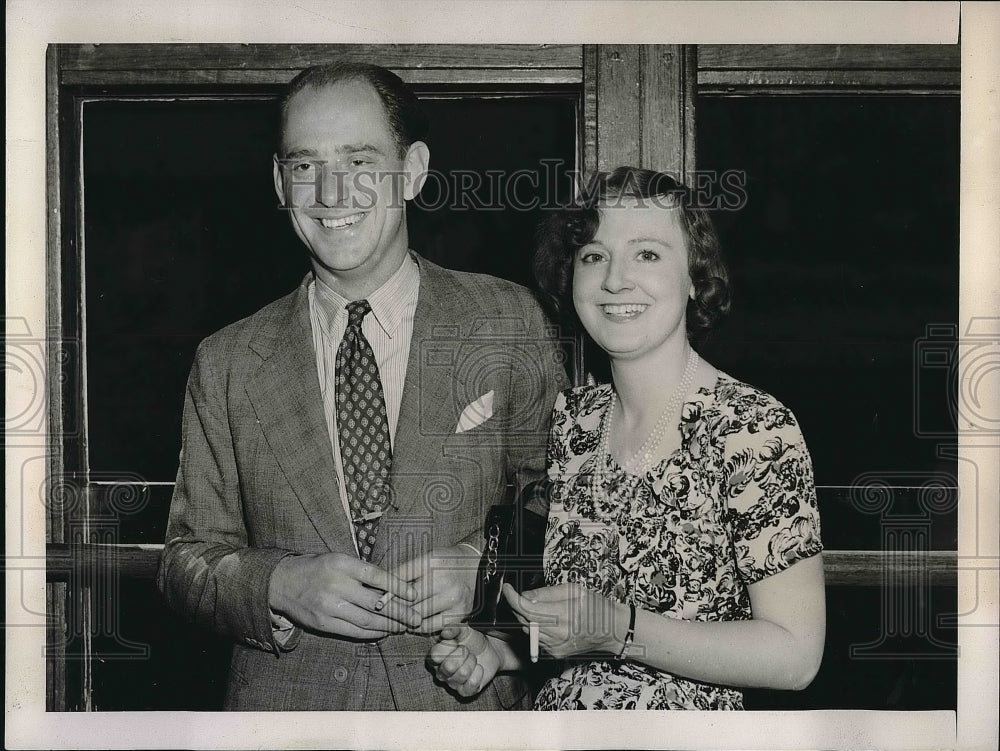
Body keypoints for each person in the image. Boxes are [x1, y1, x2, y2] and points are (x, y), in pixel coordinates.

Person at [156, 61, 568, 711]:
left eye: (359, 161)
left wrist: (486, 564)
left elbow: (567, 497)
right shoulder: (226, 360)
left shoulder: (507, 320)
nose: (330, 192)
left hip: (461, 712)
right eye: (304, 165)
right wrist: (276, 584)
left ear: (413, 170)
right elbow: (184, 560)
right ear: (278, 182)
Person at [428, 166, 825, 710]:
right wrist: (503, 652)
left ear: (694, 277)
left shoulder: (753, 429)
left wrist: (620, 630)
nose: (615, 279)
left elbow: (796, 656)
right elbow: (584, 633)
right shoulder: (575, 421)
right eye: (593, 256)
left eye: (647, 254)